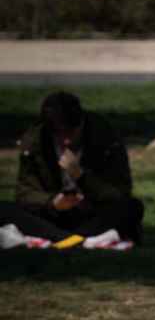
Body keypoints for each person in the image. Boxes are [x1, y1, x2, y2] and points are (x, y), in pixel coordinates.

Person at [0, 91, 144, 250]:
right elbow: (24, 194)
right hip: (53, 215)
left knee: (131, 207)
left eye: (71, 132)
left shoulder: (105, 138)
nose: (66, 140)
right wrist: (53, 203)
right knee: (5, 209)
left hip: (92, 214)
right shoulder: (35, 142)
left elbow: (120, 191)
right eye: (59, 134)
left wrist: (81, 177)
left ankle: (66, 239)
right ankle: (76, 240)